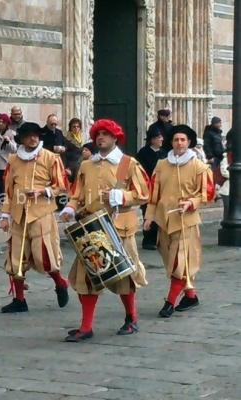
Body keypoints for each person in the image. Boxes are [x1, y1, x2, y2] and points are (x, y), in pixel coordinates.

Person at [60, 119, 149, 342]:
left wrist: (120, 196)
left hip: (119, 227)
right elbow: (77, 194)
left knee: (124, 276)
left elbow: (144, 193)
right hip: (91, 228)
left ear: (115, 137)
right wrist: (70, 208)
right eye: (97, 134)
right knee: (85, 278)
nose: (101, 138)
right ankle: (86, 327)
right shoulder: (86, 165)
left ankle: (131, 318)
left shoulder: (128, 163)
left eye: (106, 134)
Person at [0, 122, 70, 313]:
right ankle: (19, 300)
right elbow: (8, 190)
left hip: (41, 213)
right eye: (29, 135)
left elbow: (61, 184)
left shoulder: (50, 157)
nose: (33, 138)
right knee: (16, 258)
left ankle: (60, 283)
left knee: (44, 255)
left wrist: (43, 191)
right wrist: (5, 215)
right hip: (18, 214)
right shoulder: (13, 160)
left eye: (36, 135)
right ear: (21, 139)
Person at [144, 125, 214, 317]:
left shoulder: (199, 167)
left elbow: (207, 193)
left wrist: (191, 203)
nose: (179, 143)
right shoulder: (161, 165)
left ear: (189, 142)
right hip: (164, 221)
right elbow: (153, 193)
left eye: (183, 140)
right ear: (171, 142)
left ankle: (170, 302)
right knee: (171, 261)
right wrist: (149, 216)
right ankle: (191, 296)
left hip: (186, 222)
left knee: (179, 262)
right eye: (176, 140)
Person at [136, 129, 167, 250]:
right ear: (152, 140)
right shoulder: (143, 153)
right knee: (148, 213)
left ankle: (159, 239)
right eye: (159, 137)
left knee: (160, 213)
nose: (161, 139)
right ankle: (148, 240)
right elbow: (140, 171)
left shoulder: (164, 153)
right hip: (147, 188)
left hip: (161, 188)